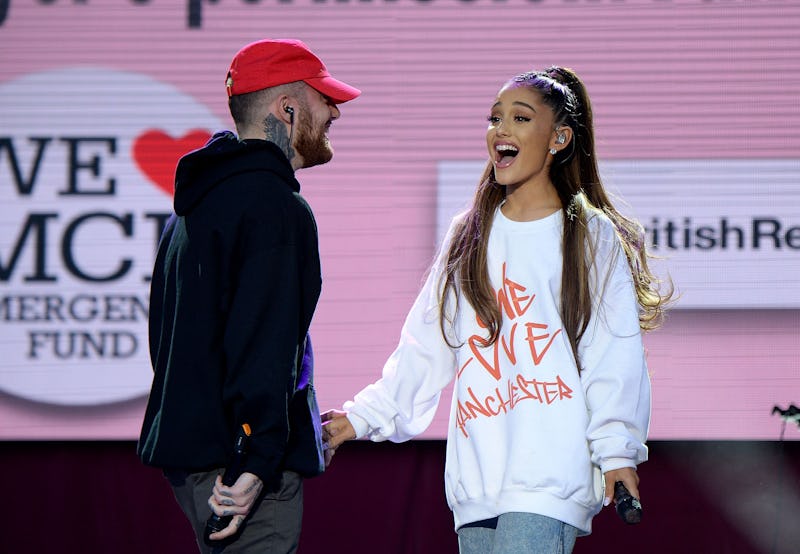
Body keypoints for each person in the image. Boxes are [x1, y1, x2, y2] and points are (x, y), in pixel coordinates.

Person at [322, 66, 671, 553]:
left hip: (549, 476)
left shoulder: (590, 236)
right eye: (494, 118)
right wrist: (364, 416)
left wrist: (617, 450)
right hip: (478, 479)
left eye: (520, 118)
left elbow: (613, 354)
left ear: (559, 138)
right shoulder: (470, 231)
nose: (501, 130)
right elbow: (428, 344)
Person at [137, 38, 360, 553]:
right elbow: (265, 342)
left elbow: (169, 342)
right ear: (286, 108)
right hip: (241, 477)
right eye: (324, 98)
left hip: (199, 464)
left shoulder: (194, 205)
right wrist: (257, 459)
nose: (334, 111)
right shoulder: (274, 207)